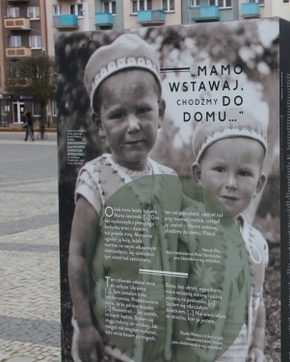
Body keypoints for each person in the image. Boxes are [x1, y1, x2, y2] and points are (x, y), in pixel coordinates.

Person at [68, 34, 182, 362]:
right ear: (99, 125)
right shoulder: (96, 177)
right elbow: (77, 255)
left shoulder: (169, 180)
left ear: (159, 112)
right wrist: (86, 324)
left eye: (143, 111)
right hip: (109, 332)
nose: (133, 125)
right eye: (118, 115)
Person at [189, 111, 269, 362]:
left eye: (244, 173)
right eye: (220, 169)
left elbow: (257, 301)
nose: (231, 183)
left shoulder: (256, 244)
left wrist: (257, 346)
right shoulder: (184, 232)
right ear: (198, 175)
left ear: (258, 185)